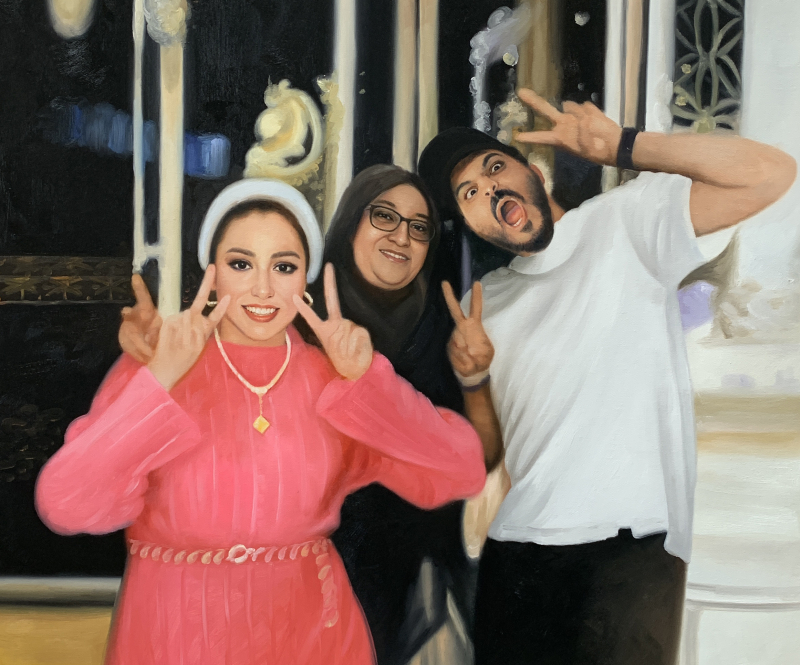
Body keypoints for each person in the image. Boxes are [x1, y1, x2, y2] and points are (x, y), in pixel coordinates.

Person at [35, 178, 486, 665]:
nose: (264, 288)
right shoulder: (159, 364)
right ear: (212, 271)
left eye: (285, 267)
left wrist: (370, 382)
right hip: (175, 633)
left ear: (306, 276)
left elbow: (461, 470)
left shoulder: (331, 375)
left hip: (314, 634)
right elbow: (66, 504)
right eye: (241, 264)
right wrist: (162, 375)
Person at [417, 88, 796, 665]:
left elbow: (770, 174)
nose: (489, 189)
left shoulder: (626, 224)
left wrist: (624, 145)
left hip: (630, 554)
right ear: (464, 221)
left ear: (531, 170)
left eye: (495, 168)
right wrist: (473, 380)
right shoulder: (483, 303)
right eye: (468, 192)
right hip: (516, 554)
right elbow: (491, 454)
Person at [313, 165, 498, 665]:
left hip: (422, 580)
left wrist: (475, 380)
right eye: (384, 216)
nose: (402, 236)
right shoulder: (303, 321)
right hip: (316, 573)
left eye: (420, 227)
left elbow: (477, 461)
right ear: (352, 220)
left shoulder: (444, 330)